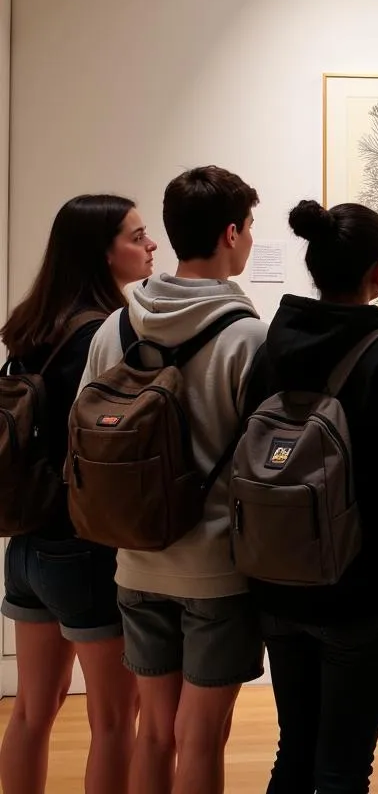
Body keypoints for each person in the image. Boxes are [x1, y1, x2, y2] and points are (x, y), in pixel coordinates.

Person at [78, 166, 268, 794]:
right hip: (215, 569)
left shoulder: (116, 326)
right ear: (231, 233)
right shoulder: (247, 337)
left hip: (135, 561)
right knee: (202, 737)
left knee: (155, 734)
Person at [242, 199, 378, 794]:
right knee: (343, 766)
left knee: (293, 751)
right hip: (359, 597)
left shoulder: (269, 351)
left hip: (275, 584)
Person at [0, 194, 157, 794]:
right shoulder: (107, 332)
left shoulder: (30, 326)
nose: (151, 247)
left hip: (27, 544)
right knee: (115, 721)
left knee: (31, 713)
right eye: (137, 237)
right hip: (84, 548)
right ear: (101, 251)